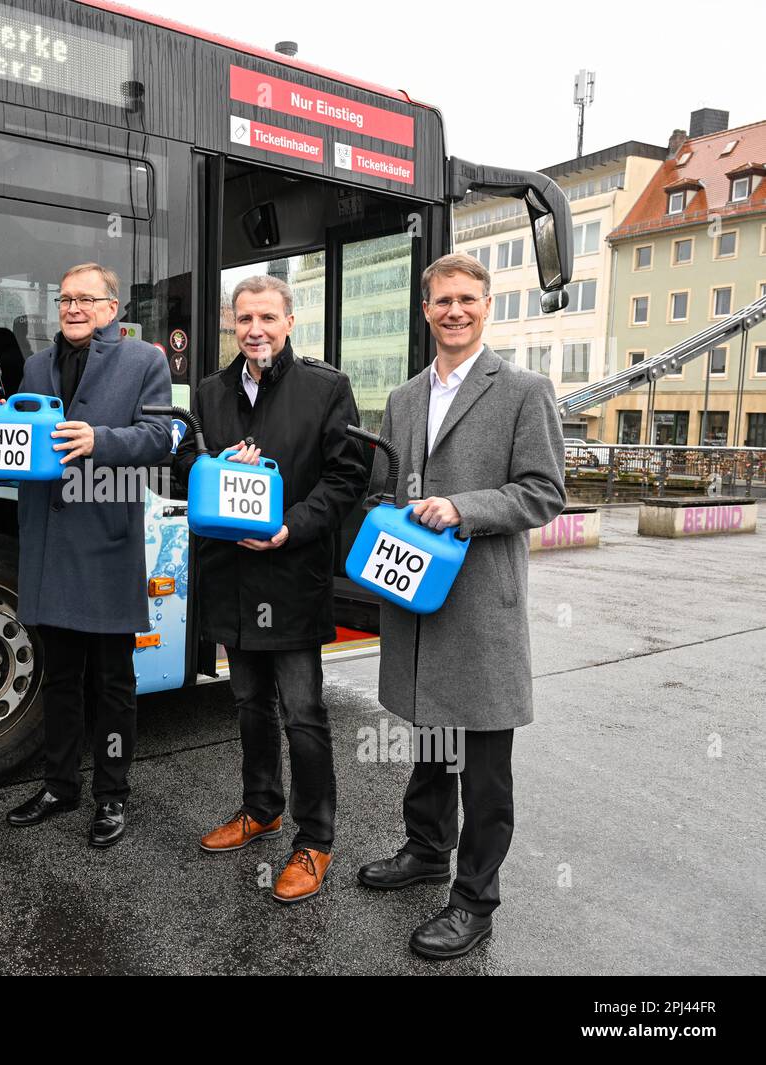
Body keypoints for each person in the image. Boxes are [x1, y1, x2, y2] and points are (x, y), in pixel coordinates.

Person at [356, 253, 566, 957]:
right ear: (426, 309)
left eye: (467, 299)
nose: (454, 310)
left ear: (486, 306)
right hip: (419, 601)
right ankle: (425, 849)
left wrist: (461, 508)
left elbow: (543, 492)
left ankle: (475, 898)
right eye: (442, 299)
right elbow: (389, 487)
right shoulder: (406, 395)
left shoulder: (523, 389)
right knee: (431, 742)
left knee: (484, 765)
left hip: (479, 608)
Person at [173, 275, 367, 903]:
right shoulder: (208, 392)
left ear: (289, 322)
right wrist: (219, 464)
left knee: (303, 714)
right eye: (243, 318)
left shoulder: (326, 388)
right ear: (233, 325)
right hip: (231, 578)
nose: (254, 329)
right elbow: (186, 463)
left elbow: (346, 480)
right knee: (249, 705)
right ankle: (262, 808)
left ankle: (315, 841)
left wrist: (289, 527)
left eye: (267, 317)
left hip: (290, 575)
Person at [0, 263, 171, 848]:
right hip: (48, 541)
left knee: (113, 680)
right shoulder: (36, 365)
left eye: (87, 299)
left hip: (107, 540)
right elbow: (24, 438)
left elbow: (162, 440)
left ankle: (112, 796)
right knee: (58, 676)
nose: (74, 308)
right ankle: (60, 785)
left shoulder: (146, 361)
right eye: (65, 299)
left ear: (112, 308)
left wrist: (99, 440)